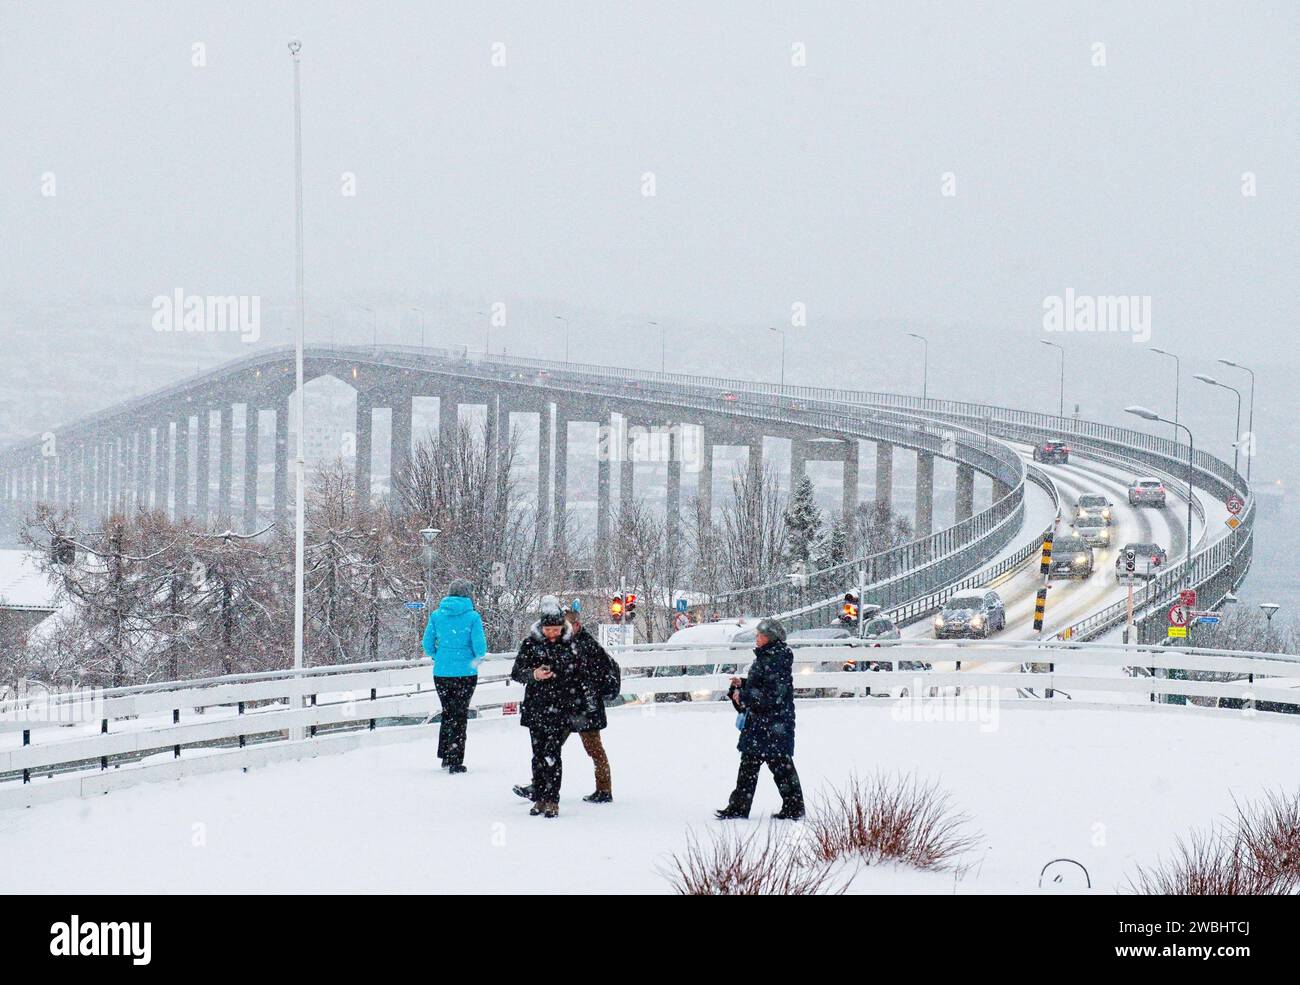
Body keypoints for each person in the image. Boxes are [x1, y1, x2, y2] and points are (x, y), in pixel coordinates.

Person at [512, 603, 621, 804]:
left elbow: (601, 670)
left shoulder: (586, 644)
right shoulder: (565, 644)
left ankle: (604, 789)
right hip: (566, 703)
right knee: (548, 749)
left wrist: (584, 684)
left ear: (576, 625)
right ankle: (539, 786)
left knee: (593, 748)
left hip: (584, 706)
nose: (561, 631)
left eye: (565, 626)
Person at [715, 616, 805, 820]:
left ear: (770, 638)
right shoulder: (770, 657)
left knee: (768, 766)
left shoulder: (774, 659)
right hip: (769, 724)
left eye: (761, 635)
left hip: (770, 724)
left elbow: (772, 694)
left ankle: (741, 807)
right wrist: (744, 683)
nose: (757, 638)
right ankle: (791, 806)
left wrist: (744, 695)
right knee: (773, 765)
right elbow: (766, 686)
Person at [509, 596, 583, 818]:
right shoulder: (530, 644)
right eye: (549, 629)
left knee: (553, 754)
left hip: (559, 707)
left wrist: (560, 674)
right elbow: (516, 672)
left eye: (556, 629)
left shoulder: (570, 644)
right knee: (538, 753)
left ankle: (552, 799)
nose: (553, 634)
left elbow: (577, 673)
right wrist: (534, 674)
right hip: (537, 706)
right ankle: (539, 797)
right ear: (542, 627)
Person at [422, 578, 488, 773]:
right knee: (460, 715)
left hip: (442, 673)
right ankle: (455, 760)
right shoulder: (473, 617)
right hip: (465, 674)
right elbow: (481, 648)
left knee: (448, 712)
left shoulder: (436, 615)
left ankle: (445, 754)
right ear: (468, 595)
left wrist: (439, 656)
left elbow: (427, 644)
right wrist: (473, 662)